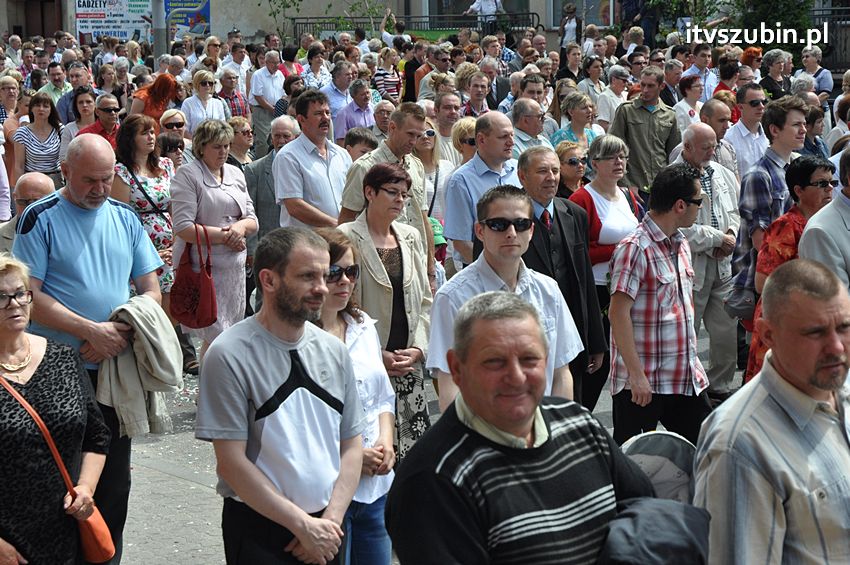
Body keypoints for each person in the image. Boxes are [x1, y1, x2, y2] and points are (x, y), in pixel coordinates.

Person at [389, 290, 654, 563]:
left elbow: (645, 513)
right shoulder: (431, 481)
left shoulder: (580, 425)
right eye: (495, 361)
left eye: (529, 359)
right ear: (457, 368)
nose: (516, 377)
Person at [12, 133, 163, 563]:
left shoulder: (124, 216)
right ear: (65, 173)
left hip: (113, 368)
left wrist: (118, 330)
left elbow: (150, 289)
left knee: (114, 483)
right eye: (89, 181)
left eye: (107, 178)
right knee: (63, 482)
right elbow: (29, 294)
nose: (100, 189)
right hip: (57, 369)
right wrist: (88, 331)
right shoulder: (40, 217)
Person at [195, 226, 364, 565]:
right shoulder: (228, 353)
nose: (321, 287)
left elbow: (352, 445)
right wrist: (302, 526)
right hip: (262, 530)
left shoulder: (334, 350)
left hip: (328, 527)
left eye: (325, 274)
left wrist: (328, 522)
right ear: (269, 280)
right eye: (307, 276)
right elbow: (230, 463)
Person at [695, 258, 850, 564]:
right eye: (815, 332)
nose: (837, 347)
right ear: (767, 335)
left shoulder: (841, 391)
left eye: (845, 327)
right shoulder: (738, 447)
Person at [0, 255, 110, 565]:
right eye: (1, 296)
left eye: (21, 293)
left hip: (63, 532)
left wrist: (86, 488)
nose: (14, 304)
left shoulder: (62, 358)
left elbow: (96, 436)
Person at [434, 183, 583, 408]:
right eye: (499, 224)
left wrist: (558, 432)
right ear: (480, 231)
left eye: (521, 224)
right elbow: (449, 383)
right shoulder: (452, 297)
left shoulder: (548, 289)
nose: (511, 233)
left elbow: (561, 372)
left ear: (531, 231)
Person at [608, 163, 710, 445]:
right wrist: (636, 376)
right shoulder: (635, 248)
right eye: (698, 201)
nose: (700, 207)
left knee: (708, 450)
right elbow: (618, 314)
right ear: (680, 205)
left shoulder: (681, 243)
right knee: (633, 465)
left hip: (683, 376)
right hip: (644, 384)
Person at [312, 228, 395, 565]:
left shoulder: (363, 326)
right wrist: (353, 456)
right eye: (334, 272)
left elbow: (382, 399)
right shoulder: (300, 338)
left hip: (376, 487)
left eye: (351, 271)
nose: (344, 280)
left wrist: (387, 443)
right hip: (327, 489)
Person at [338, 163, 431, 460]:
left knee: (415, 458)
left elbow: (425, 299)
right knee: (377, 455)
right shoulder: (346, 235)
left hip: (408, 364)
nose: (399, 201)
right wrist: (374, 352)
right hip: (367, 364)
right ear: (369, 192)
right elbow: (340, 304)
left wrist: (418, 348)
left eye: (404, 195)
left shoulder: (411, 235)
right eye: (392, 193)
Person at [516, 146, 606, 408]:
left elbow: (585, 281)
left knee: (569, 408)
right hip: (526, 336)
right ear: (522, 176)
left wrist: (595, 340)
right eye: (542, 171)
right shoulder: (506, 219)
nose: (551, 177)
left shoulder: (573, 213)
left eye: (555, 170)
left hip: (569, 337)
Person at [740, 157, 833, 383]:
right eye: (821, 184)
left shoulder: (829, 221)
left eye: (832, 182)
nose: (830, 189)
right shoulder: (786, 226)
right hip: (782, 324)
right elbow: (763, 282)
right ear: (799, 190)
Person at [170, 119, 258, 351]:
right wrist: (227, 236)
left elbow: (252, 219)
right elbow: (183, 227)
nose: (223, 151)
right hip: (206, 268)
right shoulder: (188, 175)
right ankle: (210, 385)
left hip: (234, 268)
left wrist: (239, 230)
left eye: (226, 145)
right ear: (201, 147)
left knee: (231, 333)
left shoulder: (235, 173)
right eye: (217, 146)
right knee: (215, 336)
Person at [568, 135, 639, 410]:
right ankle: (579, 412)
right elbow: (576, 252)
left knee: (626, 357)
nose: (618, 162)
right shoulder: (581, 199)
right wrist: (619, 250)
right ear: (594, 164)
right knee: (599, 362)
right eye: (611, 157)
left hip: (626, 288)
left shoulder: (627, 195)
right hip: (597, 290)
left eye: (622, 156)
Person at [674, 123, 741, 404]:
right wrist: (716, 239)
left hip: (722, 266)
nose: (712, 152)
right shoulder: (673, 177)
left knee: (725, 330)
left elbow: (736, 213)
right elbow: (675, 226)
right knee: (687, 329)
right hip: (690, 265)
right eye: (705, 147)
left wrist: (731, 236)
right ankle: (686, 387)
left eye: (714, 145)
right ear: (687, 147)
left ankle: (720, 386)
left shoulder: (723, 173)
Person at [731, 95, 807, 330]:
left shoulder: (799, 164)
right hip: (771, 283)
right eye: (796, 125)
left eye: (804, 124)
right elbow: (761, 242)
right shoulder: (758, 174)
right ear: (774, 130)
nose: (803, 130)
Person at [338, 102, 436, 282]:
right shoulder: (364, 167)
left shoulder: (416, 165)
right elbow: (346, 220)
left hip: (415, 260)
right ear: (392, 127)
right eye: (410, 134)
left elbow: (423, 217)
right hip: (376, 264)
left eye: (418, 135)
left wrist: (430, 267)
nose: (414, 141)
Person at [111, 113, 176, 306]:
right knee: (146, 305)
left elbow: (175, 207)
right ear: (131, 139)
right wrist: (148, 252)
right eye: (144, 133)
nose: (151, 137)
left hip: (169, 248)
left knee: (171, 304)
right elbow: (121, 221)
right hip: (140, 251)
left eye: (152, 132)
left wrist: (176, 244)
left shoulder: (165, 164)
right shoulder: (121, 172)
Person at [444, 112, 519, 266]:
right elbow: (462, 243)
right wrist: (496, 271)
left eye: (512, 135)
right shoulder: (461, 180)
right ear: (481, 139)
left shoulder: (519, 170)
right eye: (503, 137)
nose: (511, 142)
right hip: (482, 277)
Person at [274, 90, 352, 228]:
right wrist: (336, 225)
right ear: (301, 119)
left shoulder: (342, 154)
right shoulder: (288, 156)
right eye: (318, 114)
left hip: (342, 241)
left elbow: (352, 196)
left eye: (327, 113)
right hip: (308, 244)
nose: (325, 118)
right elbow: (295, 206)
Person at [609, 65, 680, 196]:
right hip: (635, 185)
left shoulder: (670, 114)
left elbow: (674, 155)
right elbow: (614, 149)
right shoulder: (626, 110)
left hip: (661, 185)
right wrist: (626, 183)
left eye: (651, 86)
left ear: (661, 86)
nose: (645, 90)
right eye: (643, 84)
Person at [12, 91, 63, 189]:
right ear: (31, 108)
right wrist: (19, 189)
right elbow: (19, 166)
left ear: (51, 109)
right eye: (37, 105)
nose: (41, 109)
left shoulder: (60, 130)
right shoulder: (22, 133)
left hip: (56, 182)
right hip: (31, 182)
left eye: (46, 106)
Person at [0, 172, 55, 255]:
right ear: (14, 197)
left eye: (37, 203)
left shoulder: (67, 234)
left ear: (52, 200)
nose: (29, 209)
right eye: (23, 202)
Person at [413, 118, 452, 223]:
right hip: (424, 229)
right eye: (419, 134)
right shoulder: (410, 170)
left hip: (447, 231)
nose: (425, 137)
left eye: (430, 133)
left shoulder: (448, 166)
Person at [725, 83, 769, 176]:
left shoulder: (771, 136)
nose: (761, 106)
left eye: (764, 102)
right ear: (740, 107)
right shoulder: (728, 139)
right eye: (755, 103)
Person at [250, 50, 285, 158]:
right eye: (273, 63)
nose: (276, 65)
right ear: (266, 62)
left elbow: (283, 92)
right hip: (262, 110)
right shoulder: (258, 75)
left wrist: (279, 108)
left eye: (278, 62)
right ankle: (261, 165)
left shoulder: (280, 74)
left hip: (277, 110)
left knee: (276, 138)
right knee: (264, 140)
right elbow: (258, 96)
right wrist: (272, 109)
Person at [182, 71, 231, 137]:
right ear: (197, 84)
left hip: (215, 142)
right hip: (194, 143)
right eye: (204, 83)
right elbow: (185, 129)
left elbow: (222, 125)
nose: (207, 85)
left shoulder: (218, 103)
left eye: (210, 83)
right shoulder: (188, 103)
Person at [59, 85, 96, 162]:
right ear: (76, 106)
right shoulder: (69, 129)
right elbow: (63, 158)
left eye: (88, 102)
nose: (84, 105)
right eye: (80, 102)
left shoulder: (103, 125)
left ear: (95, 104)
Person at [333, 79, 374, 145]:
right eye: (362, 94)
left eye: (367, 92)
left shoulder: (374, 108)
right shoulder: (343, 114)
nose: (367, 96)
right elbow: (341, 141)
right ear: (353, 96)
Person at [595, 65, 629, 131]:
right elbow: (603, 125)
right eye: (624, 81)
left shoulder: (626, 94)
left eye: (627, 81)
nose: (626, 84)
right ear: (613, 80)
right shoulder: (604, 97)